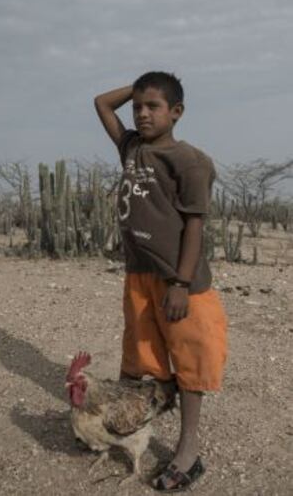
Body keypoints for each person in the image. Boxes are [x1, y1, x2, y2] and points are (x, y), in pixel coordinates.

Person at [94, 71, 227, 492]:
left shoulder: (189, 161)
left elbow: (194, 226)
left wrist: (182, 283)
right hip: (139, 276)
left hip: (178, 280)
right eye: (138, 107)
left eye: (153, 107)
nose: (143, 114)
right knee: (140, 356)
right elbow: (101, 102)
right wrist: (137, 87)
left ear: (177, 112)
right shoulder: (132, 148)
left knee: (190, 363)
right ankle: (125, 427)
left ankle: (188, 452)